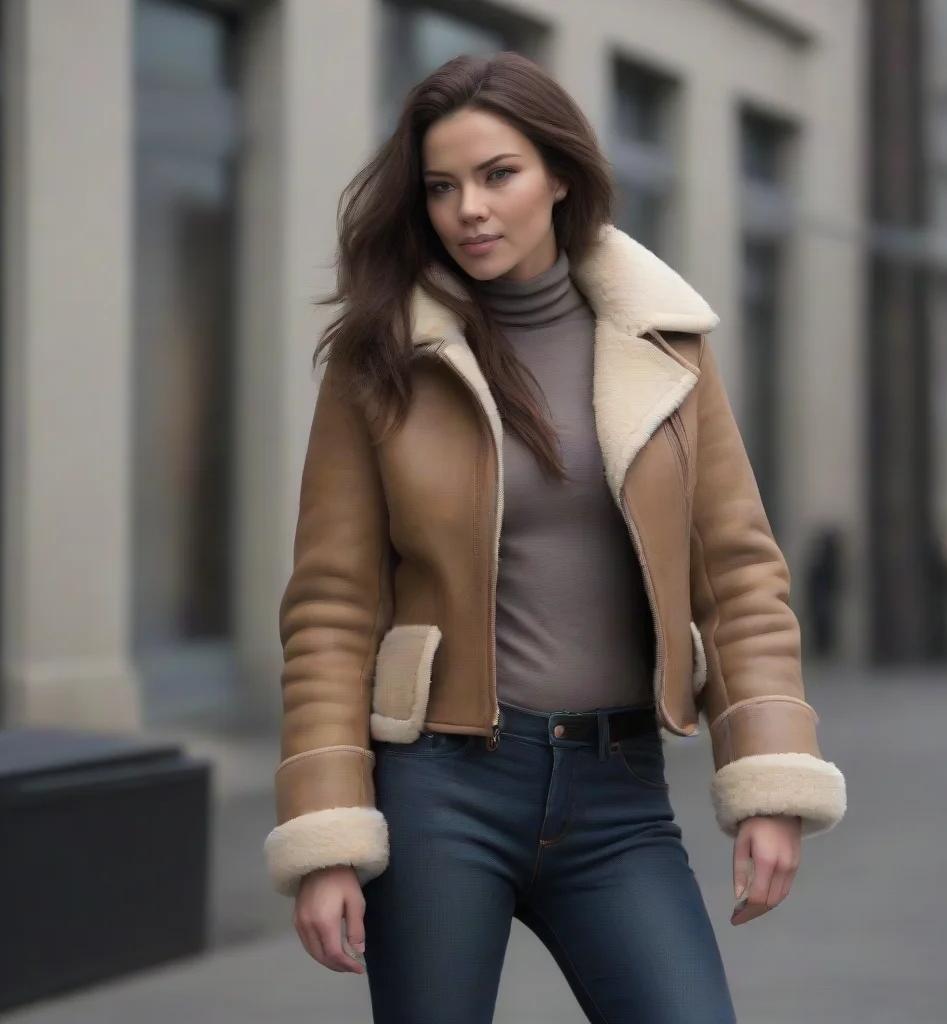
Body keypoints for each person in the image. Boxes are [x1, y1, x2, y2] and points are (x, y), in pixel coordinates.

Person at [263, 52, 847, 1024]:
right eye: (442, 187)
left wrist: (770, 778)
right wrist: (325, 835)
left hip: (617, 793)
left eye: (499, 175)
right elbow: (329, 608)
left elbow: (736, 573)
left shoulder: (661, 342)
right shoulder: (386, 360)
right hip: (439, 791)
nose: (469, 210)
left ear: (560, 175)